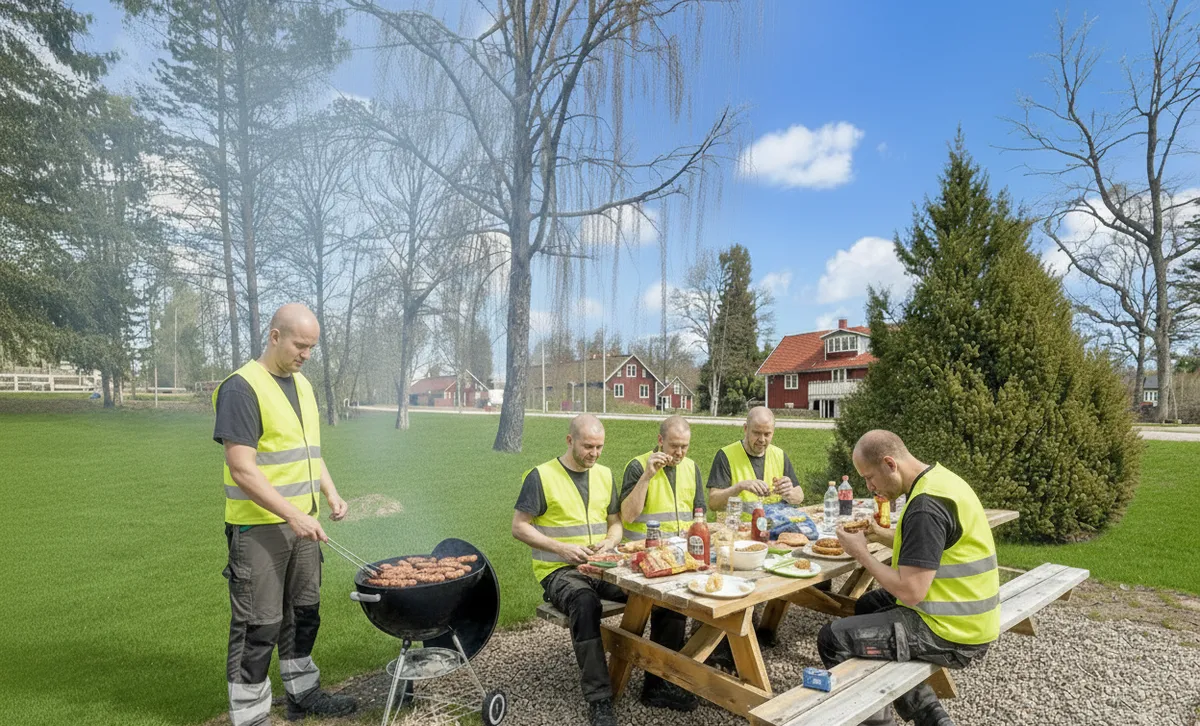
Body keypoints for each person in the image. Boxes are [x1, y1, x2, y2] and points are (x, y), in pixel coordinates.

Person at [212, 303, 356, 726]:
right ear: (274, 336)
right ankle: (251, 717)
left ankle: (302, 694)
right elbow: (242, 468)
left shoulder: (303, 384)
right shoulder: (241, 388)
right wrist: (293, 515)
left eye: (311, 347)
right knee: (259, 625)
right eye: (299, 345)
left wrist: (331, 493)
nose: (306, 354)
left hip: (303, 524)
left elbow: (310, 453)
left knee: (304, 612)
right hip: (258, 530)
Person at [819, 430, 999, 726]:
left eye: (869, 477)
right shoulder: (939, 481)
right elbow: (926, 547)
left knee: (832, 638)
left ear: (890, 463)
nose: (870, 486)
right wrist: (879, 535)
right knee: (867, 606)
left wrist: (862, 554)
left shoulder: (925, 507)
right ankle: (932, 718)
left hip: (953, 630)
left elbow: (911, 591)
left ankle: (881, 721)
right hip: (966, 611)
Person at [511, 415, 625, 726]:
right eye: (588, 446)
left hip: (601, 565)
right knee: (585, 603)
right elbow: (519, 528)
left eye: (600, 447)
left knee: (652, 592)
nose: (595, 453)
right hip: (559, 570)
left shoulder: (604, 474)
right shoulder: (541, 476)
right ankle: (600, 699)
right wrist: (562, 549)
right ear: (569, 440)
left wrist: (610, 542)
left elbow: (615, 522)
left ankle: (661, 683)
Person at [618, 415, 704, 712]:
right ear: (660, 441)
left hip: (679, 558)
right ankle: (657, 687)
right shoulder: (637, 466)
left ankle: (700, 665)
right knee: (673, 606)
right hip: (639, 561)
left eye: (685, 447)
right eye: (674, 446)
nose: (680, 453)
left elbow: (699, 515)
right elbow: (626, 516)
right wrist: (647, 477)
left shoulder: (692, 468)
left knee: (709, 594)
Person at [706, 406, 804, 511]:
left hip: (774, 525)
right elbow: (713, 503)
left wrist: (789, 493)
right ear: (745, 429)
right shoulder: (726, 455)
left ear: (773, 432)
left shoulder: (779, 455)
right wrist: (739, 487)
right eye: (756, 433)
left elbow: (799, 496)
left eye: (767, 434)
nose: (762, 439)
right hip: (740, 525)